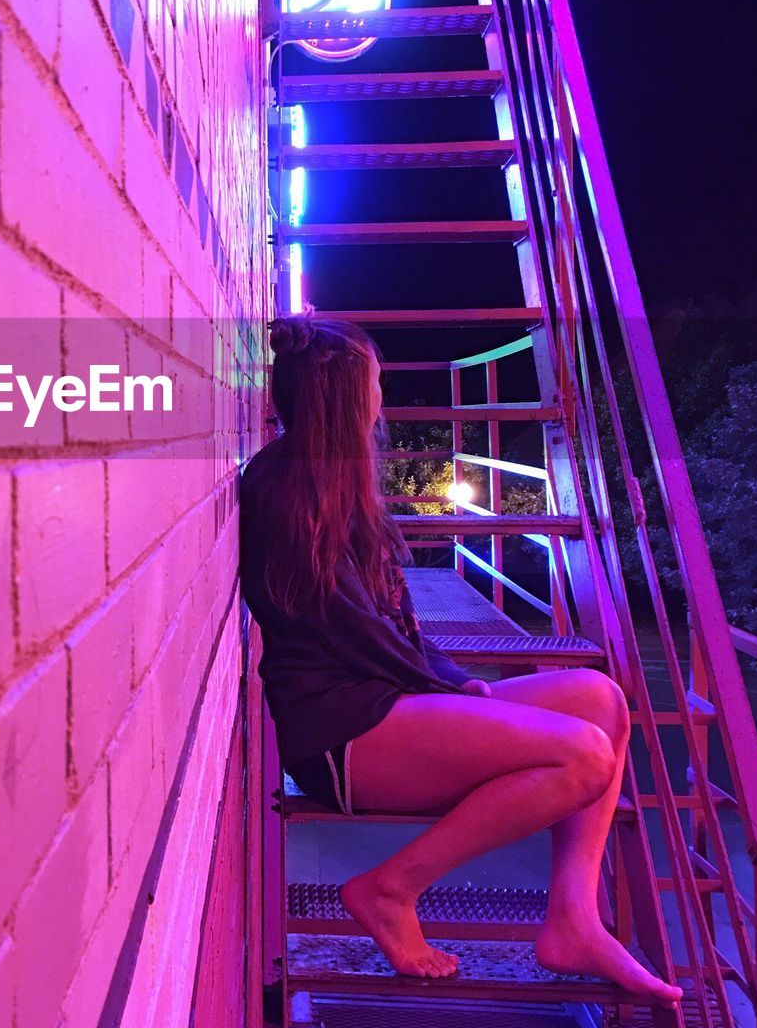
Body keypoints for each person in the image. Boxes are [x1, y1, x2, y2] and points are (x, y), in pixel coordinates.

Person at [239, 313, 682, 1006]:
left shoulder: (329, 479)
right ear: (348, 399)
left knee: (601, 701)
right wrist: (450, 688)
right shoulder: (288, 492)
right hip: (341, 734)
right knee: (583, 758)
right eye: (376, 384)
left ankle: (573, 918)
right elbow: (356, 634)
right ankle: (391, 888)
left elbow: (387, 624)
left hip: (385, 701)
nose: (383, 397)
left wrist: (453, 682)